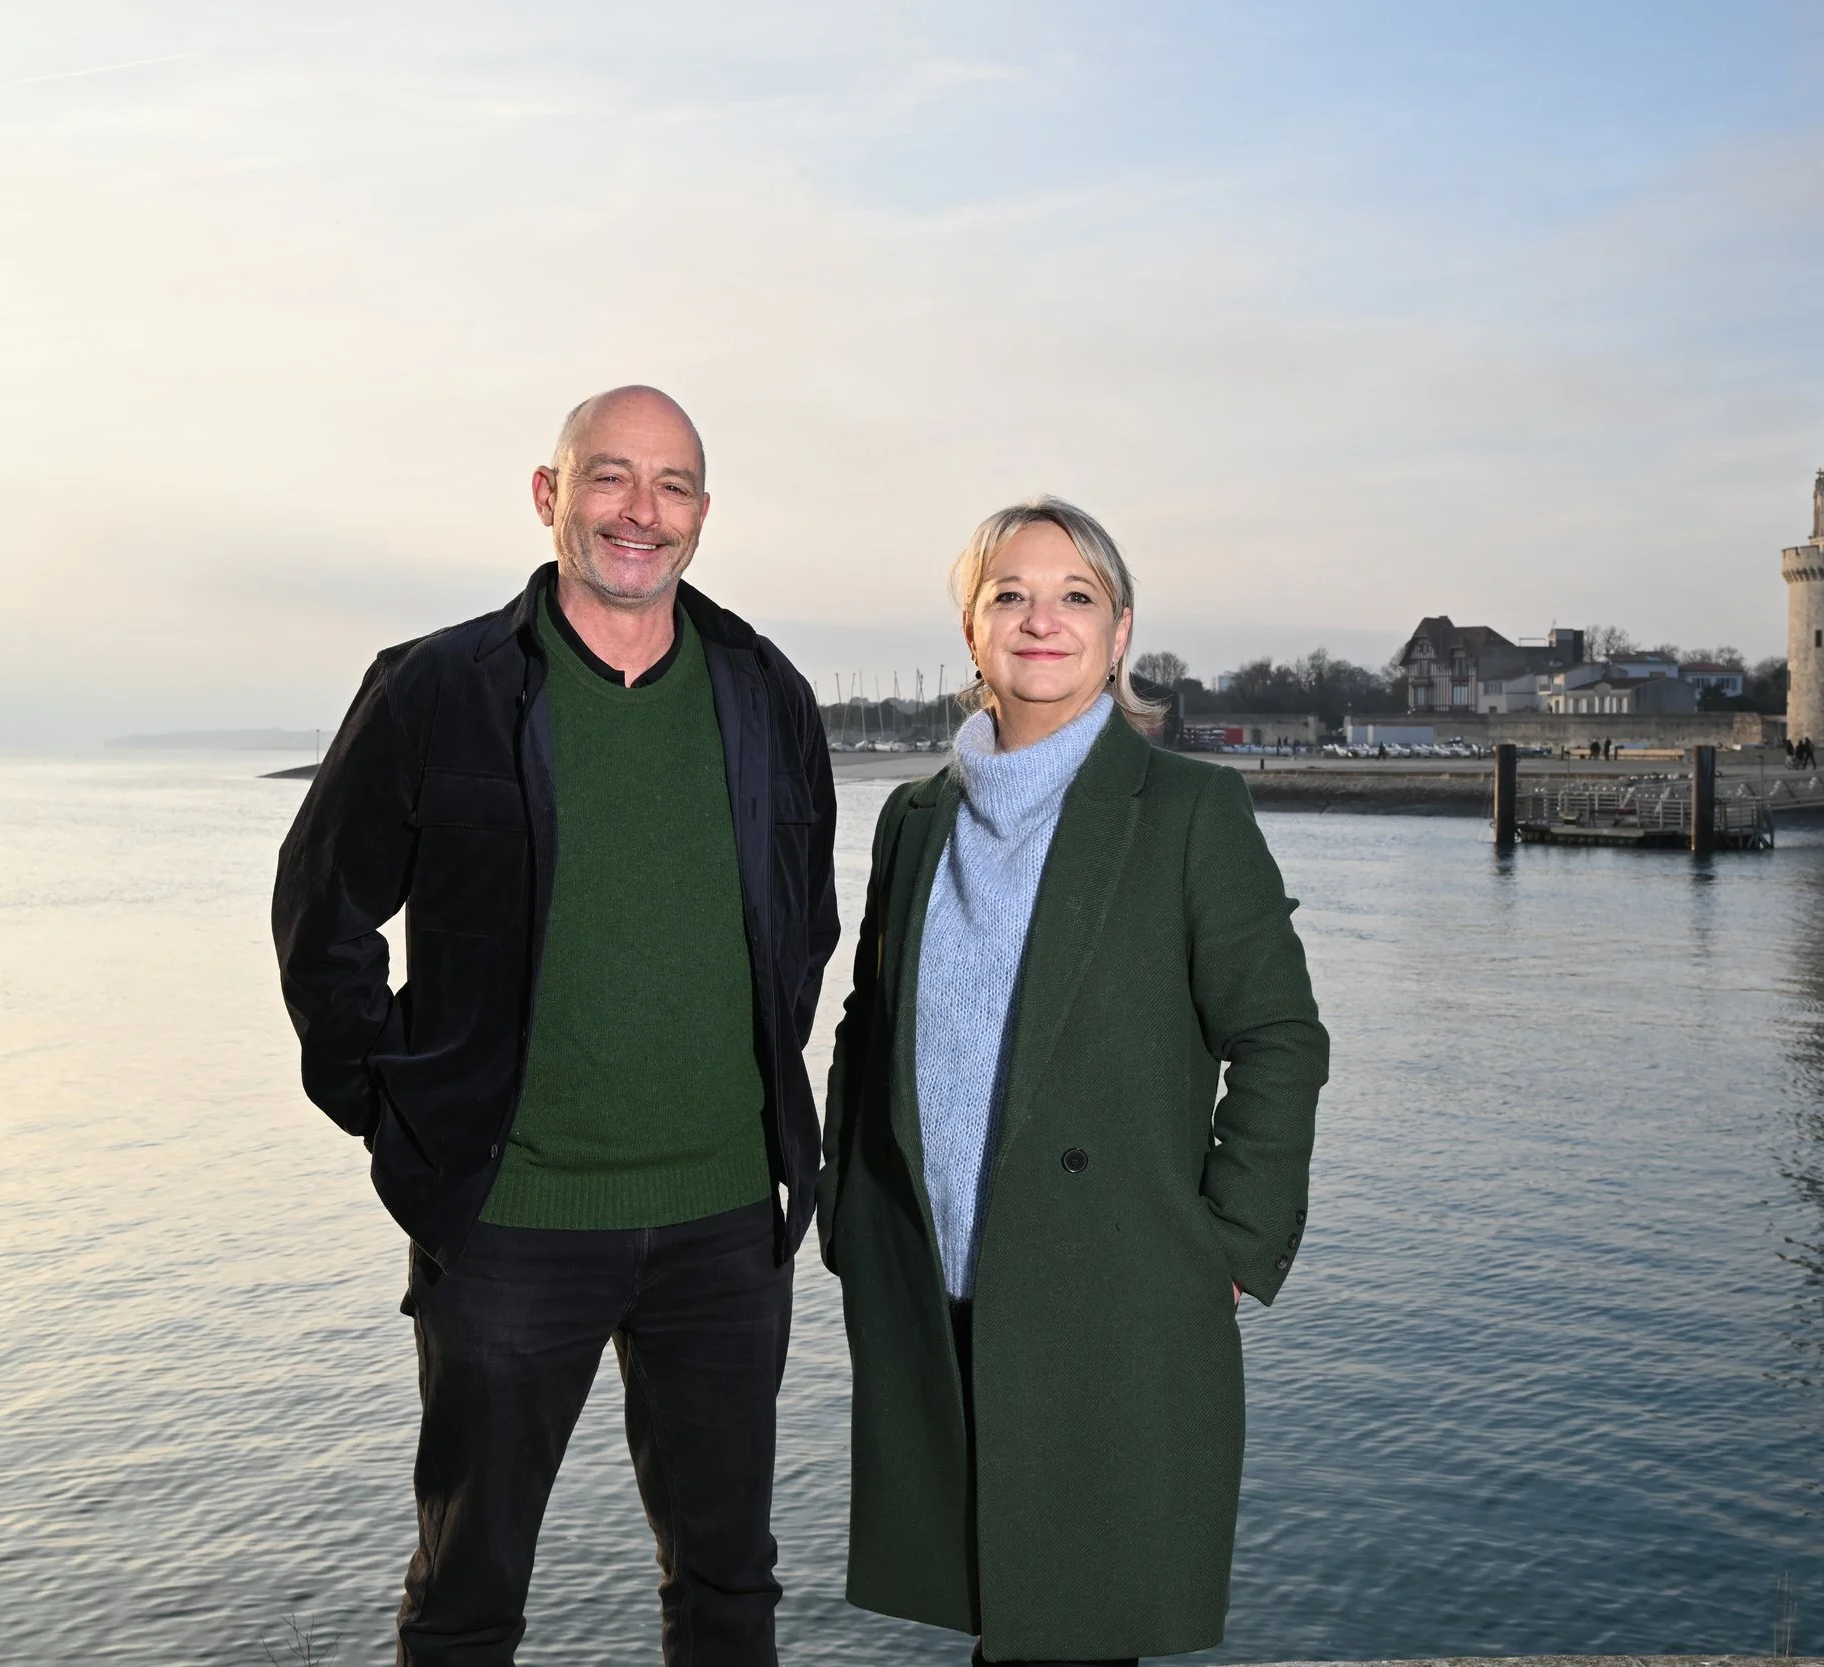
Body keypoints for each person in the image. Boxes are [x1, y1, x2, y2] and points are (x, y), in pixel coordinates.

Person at [271, 386, 837, 1667]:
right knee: (468, 1594)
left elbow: (801, 923)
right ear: (549, 494)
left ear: (702, 514)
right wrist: (400, 1102)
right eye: (611, 478)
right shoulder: (437, 687)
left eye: (674, 485)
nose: (642, 511)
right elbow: (324, 913)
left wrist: (736, 1089)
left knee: (730, 1587)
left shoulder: (764, 690)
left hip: (722, 1224)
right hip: (510, 1218)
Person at [818, 497, 1327, 1664]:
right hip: (931, 1283)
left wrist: (1233, 1239)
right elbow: (866, 1020)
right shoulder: (913, 817)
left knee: (1074, 1627)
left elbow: (1280, 1034)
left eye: (1074, 596)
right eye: (1011, 594)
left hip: (1107, 1291)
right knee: (1001, 1612)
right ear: (970, 629)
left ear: (1119, 630)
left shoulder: (1191, 810)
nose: (1041, 620)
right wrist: (850, 1205)